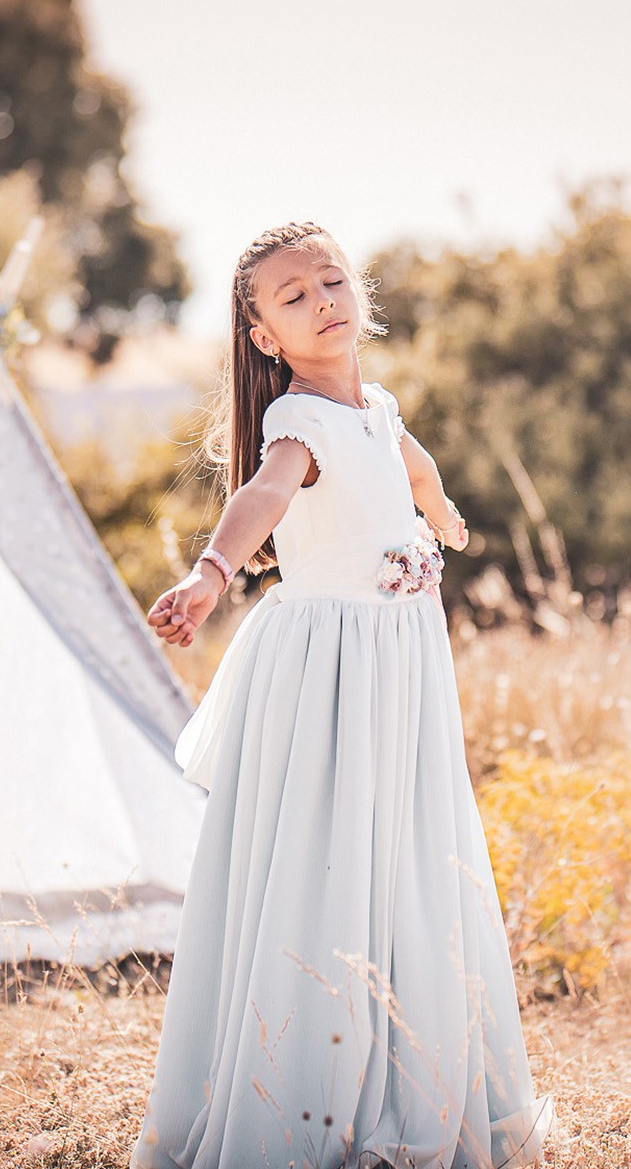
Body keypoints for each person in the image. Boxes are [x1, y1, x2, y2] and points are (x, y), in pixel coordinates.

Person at [129, 221, 554, 1168]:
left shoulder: (378, 407)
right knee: (331, 842)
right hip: (333, 664)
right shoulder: (299, 424)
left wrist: (439, 515)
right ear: (265, 338)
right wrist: (211, 572)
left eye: (331, 279)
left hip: (402, 656)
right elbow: (263, 498)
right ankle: (312, 1083)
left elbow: (413, 467)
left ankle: (409, 1060)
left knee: (403, 838)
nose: (323, 298)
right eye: (294, 295)